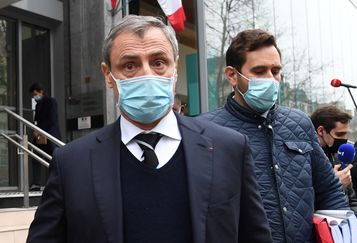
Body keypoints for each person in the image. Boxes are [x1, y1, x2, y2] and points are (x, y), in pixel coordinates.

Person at [27, 16, 271, 243]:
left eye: (158, 62)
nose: (147, 75)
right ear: (108, 75)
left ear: (174, 68)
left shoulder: (229, 148)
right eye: (130, 66)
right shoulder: (72, 163)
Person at [199, 29, 348, 243]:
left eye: (275, 71)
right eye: (259, 71)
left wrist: (340, 231)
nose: (270, 79)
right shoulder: (205, 130)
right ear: (232, 75)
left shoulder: (299, 122)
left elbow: (329, 189)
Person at [310, 105, 357, 239]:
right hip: (319, 232)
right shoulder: (305, 159)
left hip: (343, 233)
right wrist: (334, 185)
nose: (344, 139)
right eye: (339, 134)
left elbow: (352, 200)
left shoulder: (338, 158)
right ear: (321, 131)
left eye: (346, 134)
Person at [28, 83, 61, 190]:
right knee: (36, 156)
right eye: (33, 95)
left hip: (50, 134)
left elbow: (52, 120)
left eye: (35, 94)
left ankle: (54, 183)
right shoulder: (38, 105)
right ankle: (36, 183)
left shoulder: (51, 102)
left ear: (41, 91)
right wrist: (35, 129)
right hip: (40, 135)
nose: (34, 97)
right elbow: (37, 120)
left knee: (52, 158)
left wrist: (39, 129)